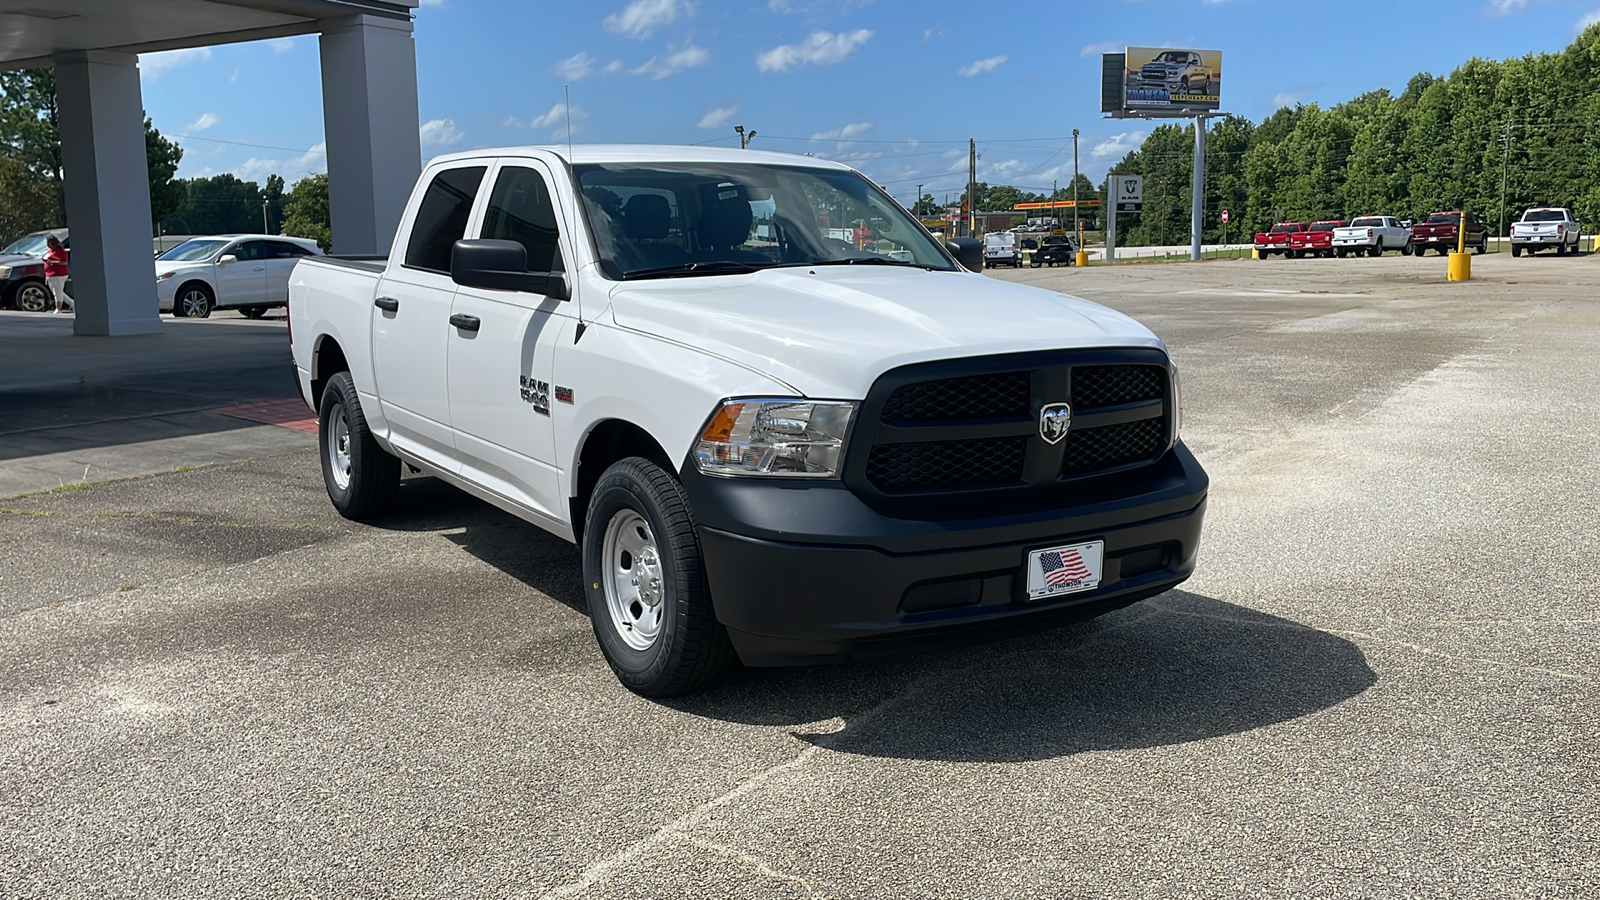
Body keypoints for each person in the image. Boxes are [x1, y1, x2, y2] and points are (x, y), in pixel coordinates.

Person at [43, 235, 71, 314]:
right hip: (50, 274)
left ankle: (58, 308)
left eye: (48, 243)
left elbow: (64, 262)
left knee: (57, 292)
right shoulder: (51, 251)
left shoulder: (59, 251)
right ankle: (72, 304)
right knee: (58, 291)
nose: (47, 245)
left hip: (58, 274)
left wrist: (51, 262)